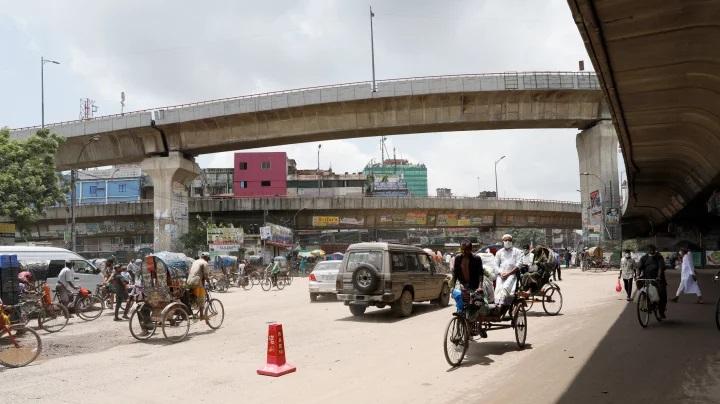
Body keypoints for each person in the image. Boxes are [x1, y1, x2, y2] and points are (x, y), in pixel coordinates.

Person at [637, 245, 667, 319]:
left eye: (653, 249)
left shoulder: (659, 257)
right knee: (643, 291)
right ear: (647, 251)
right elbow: (639, 267)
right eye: (650, 250)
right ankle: (647, 305)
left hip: (658, 279)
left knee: (662, 295)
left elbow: (660, 268)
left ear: (655, 250)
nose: (652, 251)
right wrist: (638, 276)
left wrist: (659, 276)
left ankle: (661, 311)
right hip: (647, 278)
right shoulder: (644, 258)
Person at [494, 234, 523, 305]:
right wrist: (500, 273)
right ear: (503, 241)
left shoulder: (517, 251)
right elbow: (495, 265)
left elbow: (519, 264)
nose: (507, 242)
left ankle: (505, 304)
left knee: (505, 287)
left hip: (512, 274)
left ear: (512, 241)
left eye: (509, 240)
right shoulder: (499, 252)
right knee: (498, 289)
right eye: (506, 240)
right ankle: (497, 304)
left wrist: (509, 273)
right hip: (501, 274)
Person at [186, 252, 210, 318]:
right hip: (196, 281)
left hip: (189, 281)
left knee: (194, 295)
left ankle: (193, 307)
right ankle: (202, 315)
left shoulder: (195, 262)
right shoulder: (205, 263)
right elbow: (206, 275)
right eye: (208, 258)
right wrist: (209, 283)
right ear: (206, 257)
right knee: (202, 297)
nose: (208, 260)